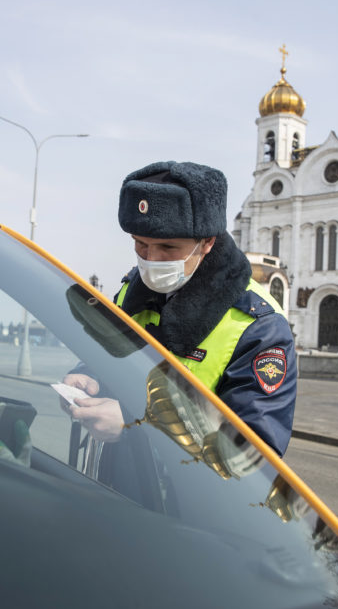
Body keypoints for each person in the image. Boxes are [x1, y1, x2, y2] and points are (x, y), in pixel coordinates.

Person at [63, 161, 297, 456]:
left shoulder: (258, 326)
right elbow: (109, 355)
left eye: (169, 248)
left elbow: (253, 451)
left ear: (207, 242)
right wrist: (86, 377)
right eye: (140, 244)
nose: (152, 259)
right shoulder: (130, 290)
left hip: (189, 499)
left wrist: (139, 423)